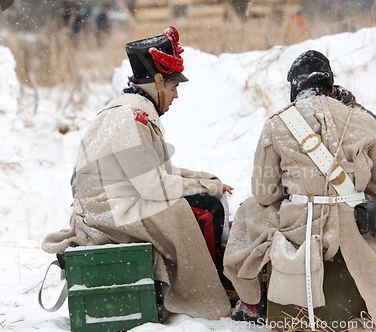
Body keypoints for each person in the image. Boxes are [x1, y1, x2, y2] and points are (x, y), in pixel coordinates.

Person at [223, 50, 376, 327]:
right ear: (331, 86)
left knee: (250, 209)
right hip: (357, 225)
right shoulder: (365, 121)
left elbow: (264, 192)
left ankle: (251, 299)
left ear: (294, 89)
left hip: (299, 227)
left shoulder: (276, 124)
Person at [42, 26, 233, 320]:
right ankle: (205, 291)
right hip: (112, 213)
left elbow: (154, 173)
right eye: (173, 87)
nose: (176, 95)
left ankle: (204, 281)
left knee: (205, 199)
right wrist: (207, 190)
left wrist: (206, 180)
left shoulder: (128, 110)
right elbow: (154, 187)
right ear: (157, 83)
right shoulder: (132, 117)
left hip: (113, 204)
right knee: (206, 211)